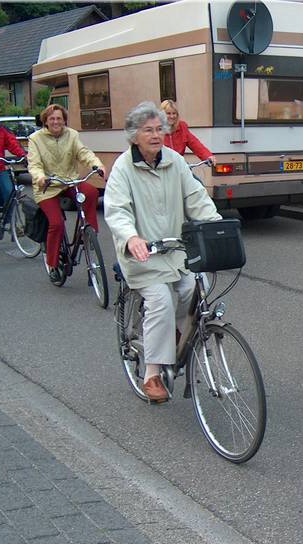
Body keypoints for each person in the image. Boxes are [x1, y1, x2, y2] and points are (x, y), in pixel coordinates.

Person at [104, 101, 222, 403]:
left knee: (196, 289)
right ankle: (152, 374)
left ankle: (171, 336)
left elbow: (196, 197)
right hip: (141, 255)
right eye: (148, 130)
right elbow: (116, 210)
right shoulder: (123, 168)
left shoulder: (174, 161)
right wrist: (131, 238)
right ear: (134, 136)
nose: (156, 135)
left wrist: (216, 226)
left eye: (159, 129)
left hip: (174, 251)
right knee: (160, 301)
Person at [27, 104, 106, 282]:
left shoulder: (72, 134)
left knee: (92, 193)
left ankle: (88, 232)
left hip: (69, 181)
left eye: (59, 118)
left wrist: (97, 165)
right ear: (46, 121)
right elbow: (34, 164)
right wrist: (40, 177)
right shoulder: (35, 139)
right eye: (52, 118)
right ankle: (53, 264)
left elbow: (83, 152)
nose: (56, 122)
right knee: (56, 224)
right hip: (47, 186)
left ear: (64, 120)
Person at [160, 99, 216, 165]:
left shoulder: (182, 128)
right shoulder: (157, 129)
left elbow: (195, 144)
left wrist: (208, 156)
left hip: (179, 166)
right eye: (168, 113)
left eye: (174, 113)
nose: (172, 116)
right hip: (161, 167)